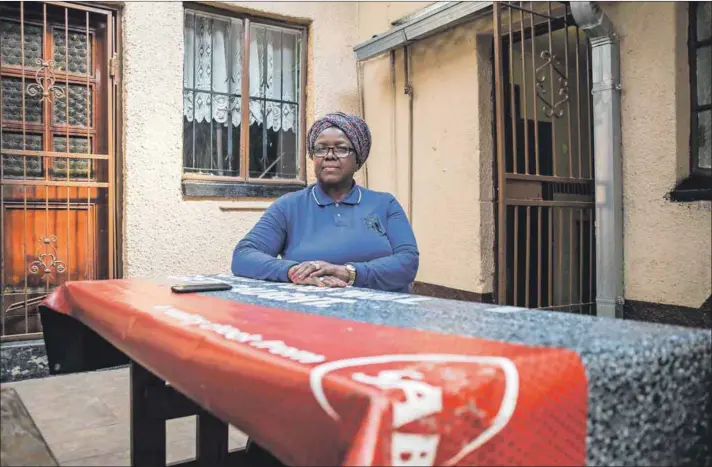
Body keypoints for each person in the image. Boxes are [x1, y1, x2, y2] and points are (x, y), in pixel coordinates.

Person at [231, 111, 419, 293]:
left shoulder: (384, 204)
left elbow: (407, 261)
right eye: (320, 148)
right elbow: (243, 256)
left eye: (342, 148)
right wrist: (293, 271)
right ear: (313, 157)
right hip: (314, 316)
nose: (329, 155)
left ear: (358, 160)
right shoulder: (289, 206)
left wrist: (348, 273)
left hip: (383, 315)